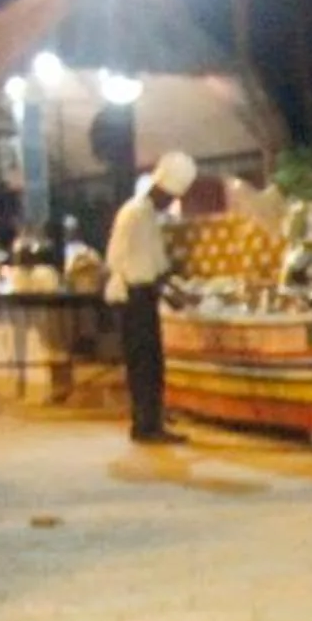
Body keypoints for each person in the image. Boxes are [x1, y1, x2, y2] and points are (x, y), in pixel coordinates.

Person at [108, 149, 194, 446]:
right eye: (170, 197)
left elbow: (156, 265)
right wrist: (171, 291)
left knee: (151, 363)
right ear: (160, 189)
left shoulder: (145, 213)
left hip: (142, 294)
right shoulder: (136, 214)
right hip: (134, 297)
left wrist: (174, 290)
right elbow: (140, 267)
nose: (170, 203)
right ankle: (146, 426)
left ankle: (148, 420)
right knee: (145, 364)